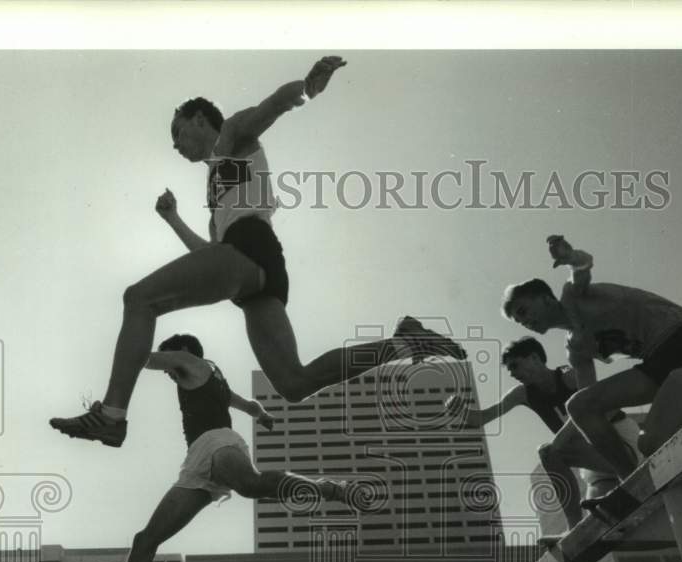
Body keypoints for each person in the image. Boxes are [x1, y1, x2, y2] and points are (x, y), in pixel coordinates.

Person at [51, 55, 464, 448]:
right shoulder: (217, 186)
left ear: (199, 119)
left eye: (177, 132)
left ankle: (112, 415)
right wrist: (173, 220)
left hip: (249, 248)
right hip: (252, 271)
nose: (176, 145)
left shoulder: (229, 136)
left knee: (138, 299)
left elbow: (274, 105)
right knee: (294, 384)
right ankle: (407, 343)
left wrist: (306, 87)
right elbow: (210, 254)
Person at [54, 333, 356, 562]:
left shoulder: (189, 362)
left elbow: (140, 354)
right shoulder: (214, 377)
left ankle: (328, 489)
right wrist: (261, 415)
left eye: (170, 362)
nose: (169, 373)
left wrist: (119, 367)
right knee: (145, 540)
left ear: (183, 353)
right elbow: (249, 405)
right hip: (197, 464)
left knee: (250, 485)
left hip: (217, 443)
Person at [502, 235, 682, 505]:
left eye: (524, 311)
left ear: (545, 299)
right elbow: (589, 400)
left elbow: (582, 268)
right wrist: (563, 446)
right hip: (655, 365)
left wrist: (571, 257)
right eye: (518, 320)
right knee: (582, 407)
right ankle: (632, 483)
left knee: (653, 442)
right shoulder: (576, 347)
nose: (524, 322)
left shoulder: (573, 297)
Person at [443, 336, 641, 529]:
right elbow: (481, 418)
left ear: (534, 358)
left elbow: (593, 409)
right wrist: (459, 409)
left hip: (621, 442)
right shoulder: (522, 394)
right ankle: (574, 528)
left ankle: (618, 495)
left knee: (548, 451)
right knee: (598, 524)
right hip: (596, 462)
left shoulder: (570, 377)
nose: (512, 374)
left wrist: (557, 443)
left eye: (515, 366)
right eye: (509, 369)